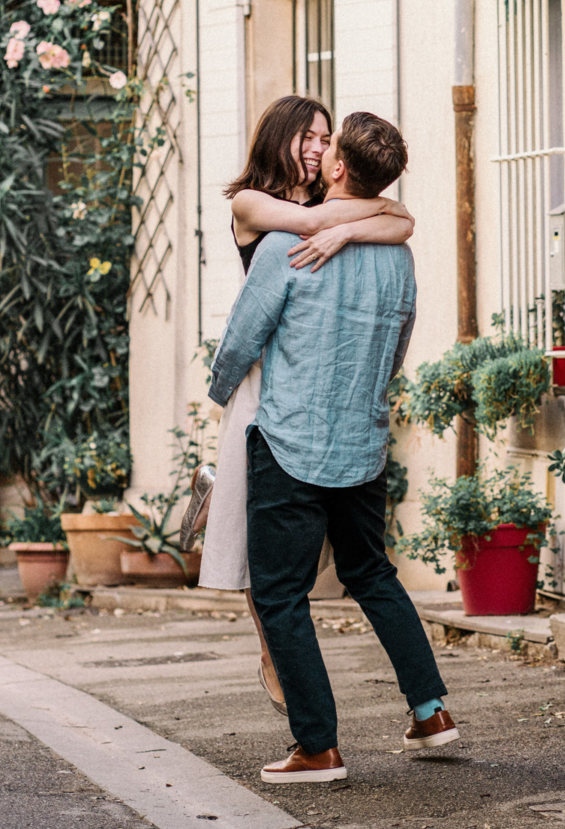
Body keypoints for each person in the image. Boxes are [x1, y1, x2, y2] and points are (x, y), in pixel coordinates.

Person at [208, 111, 458, 785]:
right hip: (362, 440)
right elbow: (399, 343)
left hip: (287, 437)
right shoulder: (397, 253)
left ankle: (316, 746)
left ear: (340, 167)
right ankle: (431, 710)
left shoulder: (284, 246)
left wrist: (220, 399)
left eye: (328, 145)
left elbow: (240, 341)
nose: (318, 152)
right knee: (371, 572)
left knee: (281, 594)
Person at [184, 95, 414, 713]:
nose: (316, 149)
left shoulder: (322, 208)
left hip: (305, 377)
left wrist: (343, 226)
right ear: (279, 138)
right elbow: (376, 218)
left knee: (284, 545)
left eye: (324, 139)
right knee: (246, 534)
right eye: (307, 138)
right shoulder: (251, 203)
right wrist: (343, 225)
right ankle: (272, 652)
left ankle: (284, 656)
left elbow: (403, 221)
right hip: (262, 376)